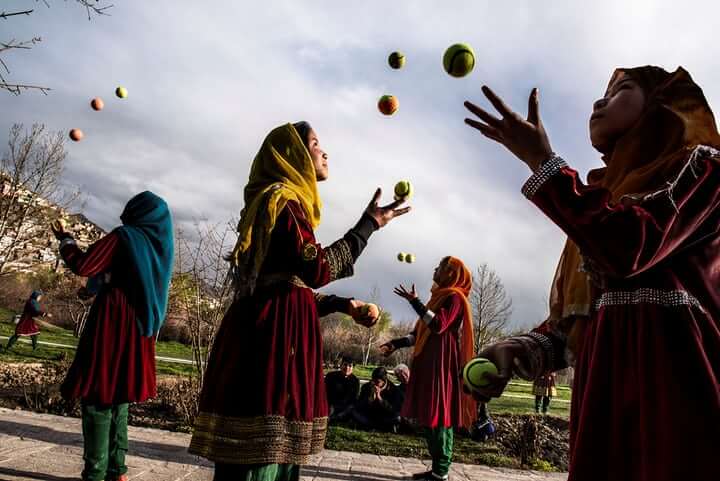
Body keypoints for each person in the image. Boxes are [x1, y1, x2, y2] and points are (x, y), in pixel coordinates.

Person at [464, 66, 720, 481]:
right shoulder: (602, 197)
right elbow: (579, 324)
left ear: (664, 103)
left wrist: (543, 164)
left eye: (622, 90)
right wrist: (522, 349)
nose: (601, 102)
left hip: (679, 408)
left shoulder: (704, 171)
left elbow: (632, 246)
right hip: (603, 406)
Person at [188, 122, 410, 481]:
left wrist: (341, 304)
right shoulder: (284, 201)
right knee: (263, 454)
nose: (324, 152)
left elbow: (284, 287)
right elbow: (316, 269)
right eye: (316, 144)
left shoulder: (271, 203)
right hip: (274, 342)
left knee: (264, 451)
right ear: (293, 156)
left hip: (264, 330)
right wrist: (368, 226)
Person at [51, 191, 174, 481]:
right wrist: (100, 283)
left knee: (96, 396)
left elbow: (84, 264)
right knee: (119, 397)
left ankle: (95, 473)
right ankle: (117, 471)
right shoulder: (158, 247)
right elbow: (126, 276)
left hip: (112, 324)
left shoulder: (125, 237)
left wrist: (66, 239)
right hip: (140, 329)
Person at [380, 256, 476, 481]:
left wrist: (415, 302)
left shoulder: (455, 298)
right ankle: (436, 470)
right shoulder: (436, 299)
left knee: (440, 414)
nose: (435, 268)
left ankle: (441, 472)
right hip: (428, 363)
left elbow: (439, 325)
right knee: (430, 414)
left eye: (441, 267)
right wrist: (395, 344)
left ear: (451, 274)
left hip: (441, 362)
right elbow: (417, 334)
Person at [351, 366, 403, 432]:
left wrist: (380, 399)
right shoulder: (366, 387)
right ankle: (378, 427)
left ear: (384, 381)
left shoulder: (394, 390)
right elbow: (359, 405)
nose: (374, 384)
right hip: (369, 416)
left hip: (384, 416)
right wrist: (369, 400)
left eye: (377, 382)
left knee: (397, 417)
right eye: (373, 381)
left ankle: (373, 427)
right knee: (353, 411)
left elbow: (394, 409)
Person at [325, 356, 360, 422]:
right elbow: (325, 393)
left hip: (345, 407)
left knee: (352, 409)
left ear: (353, 368)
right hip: (331, 404)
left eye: (350, 366)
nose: (347, 368)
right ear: (341, 365)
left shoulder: (355, 381)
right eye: (345, 365)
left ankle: (336, 417)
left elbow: (354, 398)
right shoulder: (331, 376)